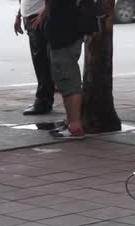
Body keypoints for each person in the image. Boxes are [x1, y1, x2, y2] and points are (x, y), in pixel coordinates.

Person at [35, 0, 85, 139]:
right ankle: (70, 122)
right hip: (60, 36)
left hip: (65, 37)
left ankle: (75, 126)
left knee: (69, 80)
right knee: (63, 81)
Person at [14, 0, 55, 115]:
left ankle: (43, 101)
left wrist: (44, 12)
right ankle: (44, 99)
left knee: (42, 61)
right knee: (40, 60)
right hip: (31, 16)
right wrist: (19, 15)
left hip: (39, 16)